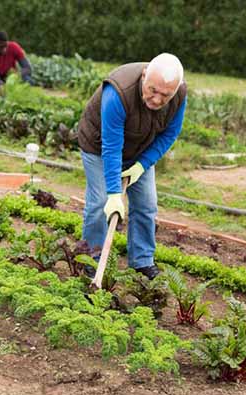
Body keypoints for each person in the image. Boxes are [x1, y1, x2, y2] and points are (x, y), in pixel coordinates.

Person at [76, 53, 187, 280]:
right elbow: (111, 146)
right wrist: (115, 194)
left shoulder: (178, 96)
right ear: (145, 76)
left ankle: (142, 260)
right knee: (99, 204)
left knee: (147, 204)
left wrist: (142, 165)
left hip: (139, 152)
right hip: (99, 147)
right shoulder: (118, 92)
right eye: (152, 91)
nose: (156, 100)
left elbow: (170, 134)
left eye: (164, 96)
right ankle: (92, 258)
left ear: (175, 91)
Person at [0, 31, 34, 97]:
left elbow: (27, 68)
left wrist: (15, 76)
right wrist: (3, 95)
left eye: (5, 46)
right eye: (1, 47)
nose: (4, 50)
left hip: (11, 77)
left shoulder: (14, 47)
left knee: (28, 81)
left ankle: (21, 98)